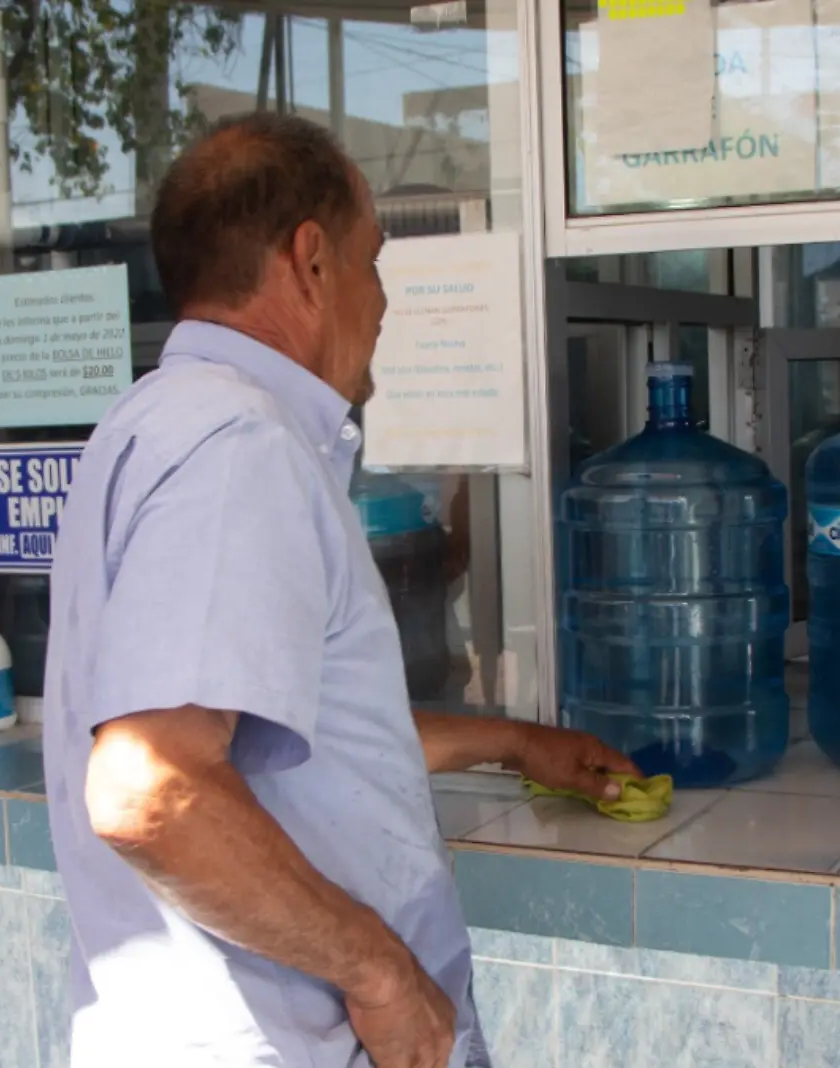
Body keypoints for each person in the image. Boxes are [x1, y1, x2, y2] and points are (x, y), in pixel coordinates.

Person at [42, 112, 637, 1068]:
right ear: (310, 260)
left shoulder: (151, 427)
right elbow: (149, 786)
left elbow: (291, 741)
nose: (384, 300)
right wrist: (383, 975)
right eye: (374, 259)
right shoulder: (238, 449)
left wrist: (519, 743)